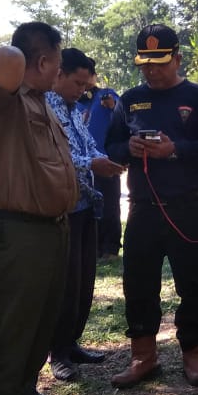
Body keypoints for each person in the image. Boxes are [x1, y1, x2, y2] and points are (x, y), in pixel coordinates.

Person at [0, 22, 78, 395]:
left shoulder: (42, 103)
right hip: (11, 230)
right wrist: (24, 47)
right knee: (8, 324)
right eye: (57, 60)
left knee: (40, 318)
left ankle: (24, 394)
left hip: (48, 230)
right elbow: (7, 61)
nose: (59, 70)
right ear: (45, 60)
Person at [105, 24, 198, 389]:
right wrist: (130, 149)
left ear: (177, 58)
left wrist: (176, 150)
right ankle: (143, 355)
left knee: (194, 283)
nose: (152, 70)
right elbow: (111, 147)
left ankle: (194, 354)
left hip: (188, 205)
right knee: (138, 283)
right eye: (146, 64)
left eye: (160, 62)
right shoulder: (128, 100)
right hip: (143, 207)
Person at [45, 48, 125, 380]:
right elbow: (54, 157)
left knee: (82, 280)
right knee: (64, 282)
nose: (82, 89)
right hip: (61, 206)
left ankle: (72, 342)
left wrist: (104, 160)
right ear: (58, 74)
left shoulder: (74, 109)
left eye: (85, 84)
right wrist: (93, 163)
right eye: (77, 82)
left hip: (86, 203)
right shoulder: (44, 109)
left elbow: (87, 146)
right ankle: (57, 353)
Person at [75, 61, 123, 260]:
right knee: (92, 206)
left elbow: (124, 115)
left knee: (110, 204)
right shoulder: (75, 102)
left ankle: (111, 247)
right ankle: (95, 247)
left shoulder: (107, 95)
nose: (84, 84)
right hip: (84, 165)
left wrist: (113, 107)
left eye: (87, 78)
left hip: (106, 160)